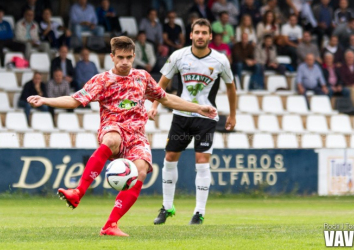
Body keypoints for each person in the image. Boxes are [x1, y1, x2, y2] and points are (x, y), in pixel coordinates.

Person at [27, 36, 217, 236]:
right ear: (112, 57)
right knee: (112, 139)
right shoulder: (102, 80)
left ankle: (110, 225)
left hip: (136, 136)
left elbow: (167, 98)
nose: (124, 62)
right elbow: (75, 100)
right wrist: (45, 100)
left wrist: (198, 108)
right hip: (113, 127)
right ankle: (78, 192)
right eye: (120, 57)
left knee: (142, 169)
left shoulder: (142, 77)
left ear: (134, 56)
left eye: (128, 57)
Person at [148, 18, 236, 225]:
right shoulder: (179, 56)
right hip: (181, 116)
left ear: (210, 36)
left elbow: (231, 87)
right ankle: (167, 207)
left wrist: (232, 114)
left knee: (202, 162)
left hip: (206, 118)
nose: (200, 36)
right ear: (191, 35)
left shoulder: (220, 60)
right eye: (197, 32)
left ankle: (199, 212)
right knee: (169, 158)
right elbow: (162, 84)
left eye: (204, 33)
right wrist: (154, 105)